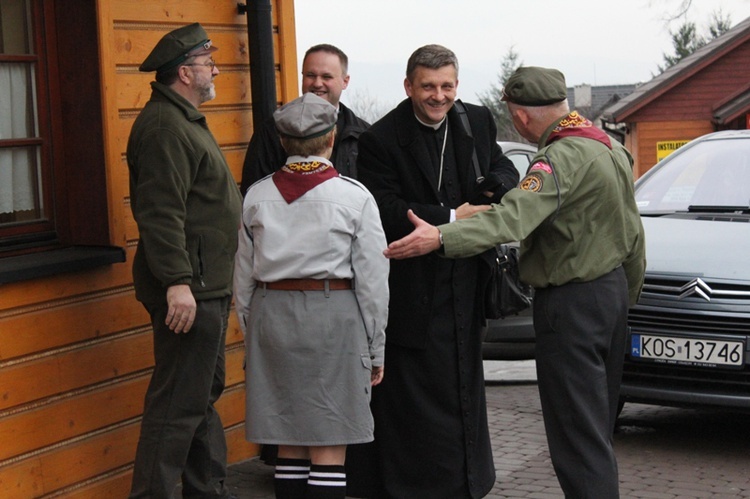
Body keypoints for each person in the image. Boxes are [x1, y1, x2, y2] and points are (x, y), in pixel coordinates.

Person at [382, 66, 647, 499]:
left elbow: (511, 218)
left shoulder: (558, 159)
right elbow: (633, 232)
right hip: (611, 296)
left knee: (577, 439)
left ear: (520, 117)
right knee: (596, 429)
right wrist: (624, 297)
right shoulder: (610, 148)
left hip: (571, 306)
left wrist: (440, 236)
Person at [352, 44, 519, 498]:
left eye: (447, 86)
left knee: (465, 388)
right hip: (414, 290)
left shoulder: (476, 120)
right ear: (409, 86)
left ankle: (467, 484)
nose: (439, 96)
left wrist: (494, 186)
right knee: (417, 402)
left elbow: (504, 167)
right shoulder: (381, 139)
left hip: (466, 284)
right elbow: (383, 207)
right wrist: (450, 216)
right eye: (428, 86)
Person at [233, 92, 390, 499]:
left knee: (288, 438)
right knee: (329, 439)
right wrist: (376, 346)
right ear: (332, 139)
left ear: (283, 143)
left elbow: (243, 275)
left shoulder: (256, 196)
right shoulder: (355, 197)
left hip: (272, 316)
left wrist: (253, 329)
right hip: (333, 317)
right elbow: (373, 281)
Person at [126, 23, 242, 498]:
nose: (215, 69)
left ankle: (206, 490)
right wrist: (176, 282)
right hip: (188, 292)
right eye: (207, 62)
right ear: (184, 72)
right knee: (175, 408)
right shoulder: (163, 127)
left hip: (206, 286)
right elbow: (160, 212)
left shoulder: (184, 119)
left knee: (199, 399)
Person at [240, 43, 369, 194]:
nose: (317, 83)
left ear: (345, 81)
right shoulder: (273, 130)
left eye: (326, 77)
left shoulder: (363, 134)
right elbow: (254, 190)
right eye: (310, 75)